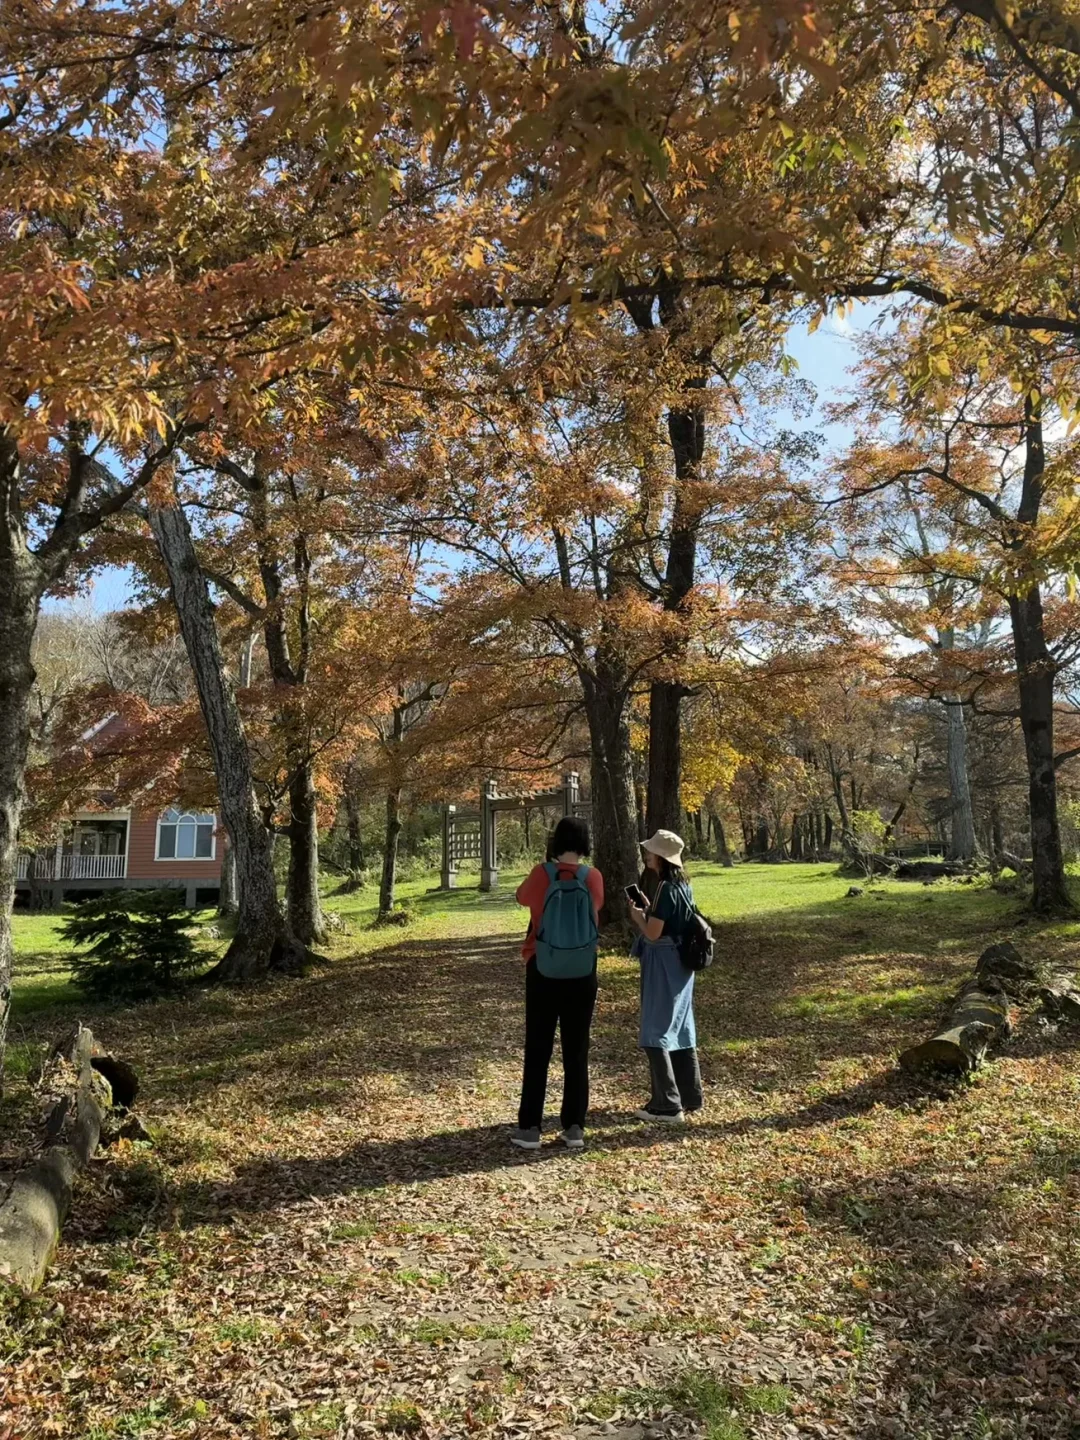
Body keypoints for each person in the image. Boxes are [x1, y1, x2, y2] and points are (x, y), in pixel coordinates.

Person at [510, 816, 604, 1151]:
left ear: (555, 841)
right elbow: (597, 909)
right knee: (577, 1051)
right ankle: (574, 1127)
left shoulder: (541, 874)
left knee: (538, 1048)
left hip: (543, 967)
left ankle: (530, 1128)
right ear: (584, 843)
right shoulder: (592, 877)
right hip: (582, 970)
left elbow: (521, 898)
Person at [628, 829, 703, 1123]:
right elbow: (670, 921)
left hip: (663, 962)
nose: (647, 854)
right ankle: (689, 1096)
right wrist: (650, 909)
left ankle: (666, 1105)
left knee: (654, 1029)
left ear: (660, 857)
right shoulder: (683, 886)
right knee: (682, 1026)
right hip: (682, 963)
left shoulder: (665, 889)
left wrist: (637, 917)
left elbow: (654, 933)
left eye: (650, 851)